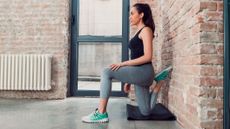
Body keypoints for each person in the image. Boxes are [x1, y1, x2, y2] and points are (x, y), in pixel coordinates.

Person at [82, 3, 159, 123]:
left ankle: (101, 113)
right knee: (145, 111)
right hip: (140, 74)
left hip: (144, 72)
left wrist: (123, 64)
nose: (130, 17)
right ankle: (158, 84)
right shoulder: (138, 31)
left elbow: (148, 57)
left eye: (132, 13)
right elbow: (136, 55)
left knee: (106, 72)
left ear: (141, 15)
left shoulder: (146, 30)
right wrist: (129, 80)